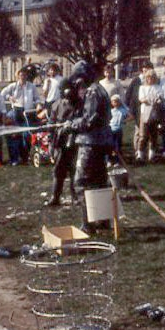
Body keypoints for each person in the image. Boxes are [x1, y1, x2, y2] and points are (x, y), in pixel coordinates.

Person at [67, 61, 112, 234]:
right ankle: (103, 221)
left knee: (82, 182)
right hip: (101, 142)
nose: (78, 82)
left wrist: (71, 125)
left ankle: (88, 225)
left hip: (91, 143)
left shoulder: (93, 91)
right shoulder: (100, 89)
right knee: (100, 182)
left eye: (79, 78)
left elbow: (89, 120)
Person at [44, 78, 79, 207]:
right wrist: (51, 133)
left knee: (74, 169)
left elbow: (82, 119)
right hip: (61, 141)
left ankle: (75, 196)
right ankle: (55, 196)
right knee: (59, 169)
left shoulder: (79, 104)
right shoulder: (56, 104)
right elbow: (52, 123)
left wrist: (72, 125)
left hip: (75, 140)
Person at [2, 68, 40, 164]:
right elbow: (2, 94)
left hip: (28, 113)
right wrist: (9, 97)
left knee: (27, 136)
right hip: (16, 111)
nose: (22, 77)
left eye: (24, 75)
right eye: (20, 75)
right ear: (18, 76)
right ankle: (14, 159)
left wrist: (38, 104)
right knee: (14, 136)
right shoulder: (13, 86)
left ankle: (25, 158)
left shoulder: (32, 86)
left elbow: (37, 98)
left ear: (26, 76)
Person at [125, 61, 153, 164]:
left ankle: (148, 152)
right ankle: (137, 152)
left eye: (148, 68)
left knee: (150, 132)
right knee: (138, 131)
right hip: (137, 109)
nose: (146, 70)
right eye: (144, 68)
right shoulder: (136, 80)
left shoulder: (153, 81)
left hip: (150, 110)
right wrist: (128, 109)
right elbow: (128, 95)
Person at [137, 69, 163, 162]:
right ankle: (140, 154)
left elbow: (159, 98)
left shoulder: (158, 87)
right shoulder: (142, 88)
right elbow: (141, 99)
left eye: (152, 77)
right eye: (148, 77)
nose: (150, 79)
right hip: (145, 112)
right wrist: (150, 100)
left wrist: (156, 100)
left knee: (153, 135)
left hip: (155, 112)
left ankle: (152, 154)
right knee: (143, 135)